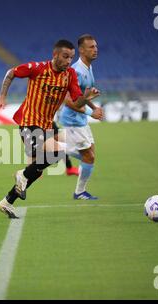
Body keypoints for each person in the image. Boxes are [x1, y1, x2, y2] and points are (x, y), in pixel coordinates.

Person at [0, 39, 101, 218]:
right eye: (65, 57)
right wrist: (1, 96)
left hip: (45, 126)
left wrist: (88, 97)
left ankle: (7, 201)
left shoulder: (70, 74)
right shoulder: (38, 68)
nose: (68, 61)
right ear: (55, 55)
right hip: (28, 122)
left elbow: (76, 101)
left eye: (71, 57)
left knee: (36, 170)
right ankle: (21, 175)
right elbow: (11, 73)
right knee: (55, 154)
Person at [60, 34, 103, 200]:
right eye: (91, 47)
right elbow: (68, 101)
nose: (95, 49)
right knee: (89, 157)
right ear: (82, 50)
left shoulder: (88, 68)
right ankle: (79, 192)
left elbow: (83, 95)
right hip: (73, 120)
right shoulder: (76, 71)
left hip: (81, 119)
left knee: (91, 154)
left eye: (96, 46)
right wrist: (91, 112)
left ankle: (56, 149)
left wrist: (93, 105)